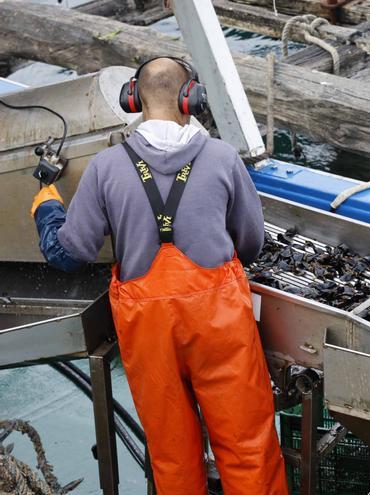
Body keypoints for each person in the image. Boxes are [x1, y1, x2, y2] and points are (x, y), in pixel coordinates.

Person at [30, 57, 288, 494]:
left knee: (172, 455)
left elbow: (69, 253)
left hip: (147, 329)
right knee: (248, 447)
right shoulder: (224, 158)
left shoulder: (105, 167)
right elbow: (250, 245)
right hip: (219, 323)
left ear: (134, 98)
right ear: (192, 99)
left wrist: (46, 207)